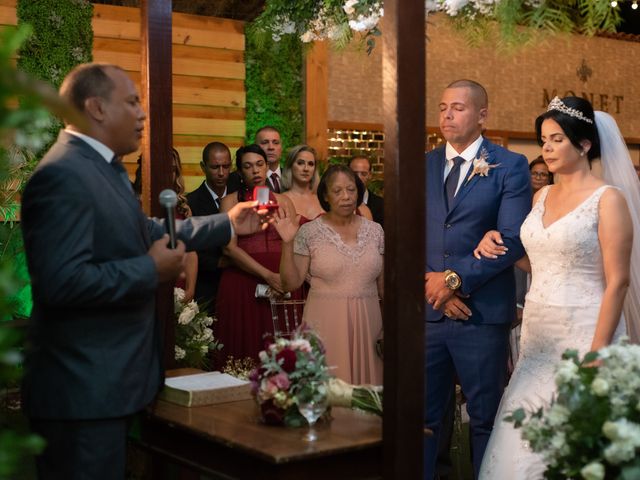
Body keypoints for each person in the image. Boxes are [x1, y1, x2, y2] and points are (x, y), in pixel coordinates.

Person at [19, 63, 269, 480]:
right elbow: (62, 283)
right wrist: (149, 269)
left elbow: (146, 229)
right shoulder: (63, 175)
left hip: (107, 388)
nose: (142, 114)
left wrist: (227, 223)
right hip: (81, 394)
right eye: (132, 102)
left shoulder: (103, 167)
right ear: (96, 107)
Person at [476, 97, 639, 479]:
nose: (546, 149)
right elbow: (540, 262)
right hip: (538, 338)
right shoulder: (541, 196)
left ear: (583, 145)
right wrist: (494, 244)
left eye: (556, 140)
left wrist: (597, 355)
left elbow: (618, 281)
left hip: (586, 334)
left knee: (578, 442)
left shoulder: (608, 199)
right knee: (523, 443)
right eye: (543, 140)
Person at [423, 79, 532, 479]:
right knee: (423, 418)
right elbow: (406, 234)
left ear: (482, 115)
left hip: (480, 315)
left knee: (485, 417)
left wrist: (453, 279)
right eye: (442, 107)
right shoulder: (424, 164)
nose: (447, 115)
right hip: (430, 313)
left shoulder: (510, 165)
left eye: (458, 107)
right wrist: (431, 285)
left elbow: (512, 237)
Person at [274, 164, 384, 385]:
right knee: (327, 393)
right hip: (325, 326)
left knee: (368, 399)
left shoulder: (376, 231)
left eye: (351, 190)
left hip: (370, 326)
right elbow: (290, 283)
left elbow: (384, 289)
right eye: (337, 191)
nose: (346, 196)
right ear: (325, 195)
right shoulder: (309, 232)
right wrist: (287, 243)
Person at [214, 144, 299, 365]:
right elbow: (228, 248)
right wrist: (267, 275)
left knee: (280, 347)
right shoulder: (230, 202)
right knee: (244, 347)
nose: (255, 171)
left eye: (260, 165)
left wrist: (283, 277)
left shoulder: (283, 200)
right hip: (244, 280)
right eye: (248, 166)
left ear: (267, 166)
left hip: (282, 280)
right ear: (240, 172)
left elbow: (293, 241)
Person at [186, 141, 237, 311]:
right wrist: (219, 262)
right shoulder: (191, 202)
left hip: (240, 283)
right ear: (203, 167)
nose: (221, 173)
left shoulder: (240, 195)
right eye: (215, 167)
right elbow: (190, 249)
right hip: (207, 287)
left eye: (226, 166)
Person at [281, 144, 323, 224]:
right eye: (300, 163)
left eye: (310, 164)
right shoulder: (282, 200)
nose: (306, 169)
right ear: (290, 166)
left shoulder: (322, 199)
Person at [349, 155, 384, 227]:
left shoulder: (382, 205)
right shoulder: (338, 204)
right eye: (355, 173)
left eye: (363, 174)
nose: (359, 178)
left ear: (370, 175)